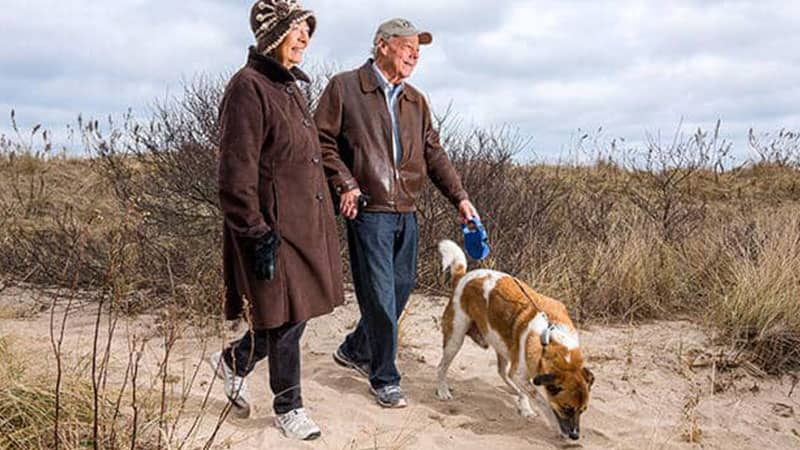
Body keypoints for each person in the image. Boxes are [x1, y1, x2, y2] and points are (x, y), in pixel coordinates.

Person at [315, 17, 478, 409]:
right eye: (407, 46)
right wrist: (346, 183)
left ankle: (355, 348)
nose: (414, 54)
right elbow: (320, 140)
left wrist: (460, 198)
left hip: (406, 210)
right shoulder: (345, 87)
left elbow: (434, 154)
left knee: (401, 289)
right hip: (368, 210)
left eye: (418, 49)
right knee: (381, 296)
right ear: (383, 46)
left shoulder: (415, 100)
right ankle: (384, 377)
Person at [212, 0, 343, 441]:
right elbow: (235, 173)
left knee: (292, 315)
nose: (305, 37)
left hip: (306, 229)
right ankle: (289, 408)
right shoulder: (247, 87)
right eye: (296, 29)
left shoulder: (290, 88)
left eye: (308, 29)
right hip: (272, 231)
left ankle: (233, 362)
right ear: (272, 34)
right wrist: (255, 233)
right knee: (284, 319)